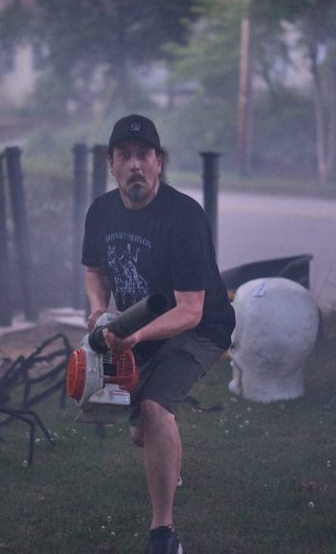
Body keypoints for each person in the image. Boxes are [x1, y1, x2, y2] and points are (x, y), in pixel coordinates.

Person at [81, 114, 235, 554]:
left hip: (200, 329)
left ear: (159, 162)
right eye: (124, 156)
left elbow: (192, 308)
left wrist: (134, 335)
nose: (135, 165)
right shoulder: (101, 212)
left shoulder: (184, 217)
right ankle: (165, 452)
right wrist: (97, 310)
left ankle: (163, 532)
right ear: (111, 163)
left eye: (143, 155)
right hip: (137, 331)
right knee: (139, 433)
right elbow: (94, 271)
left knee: (153, 408)